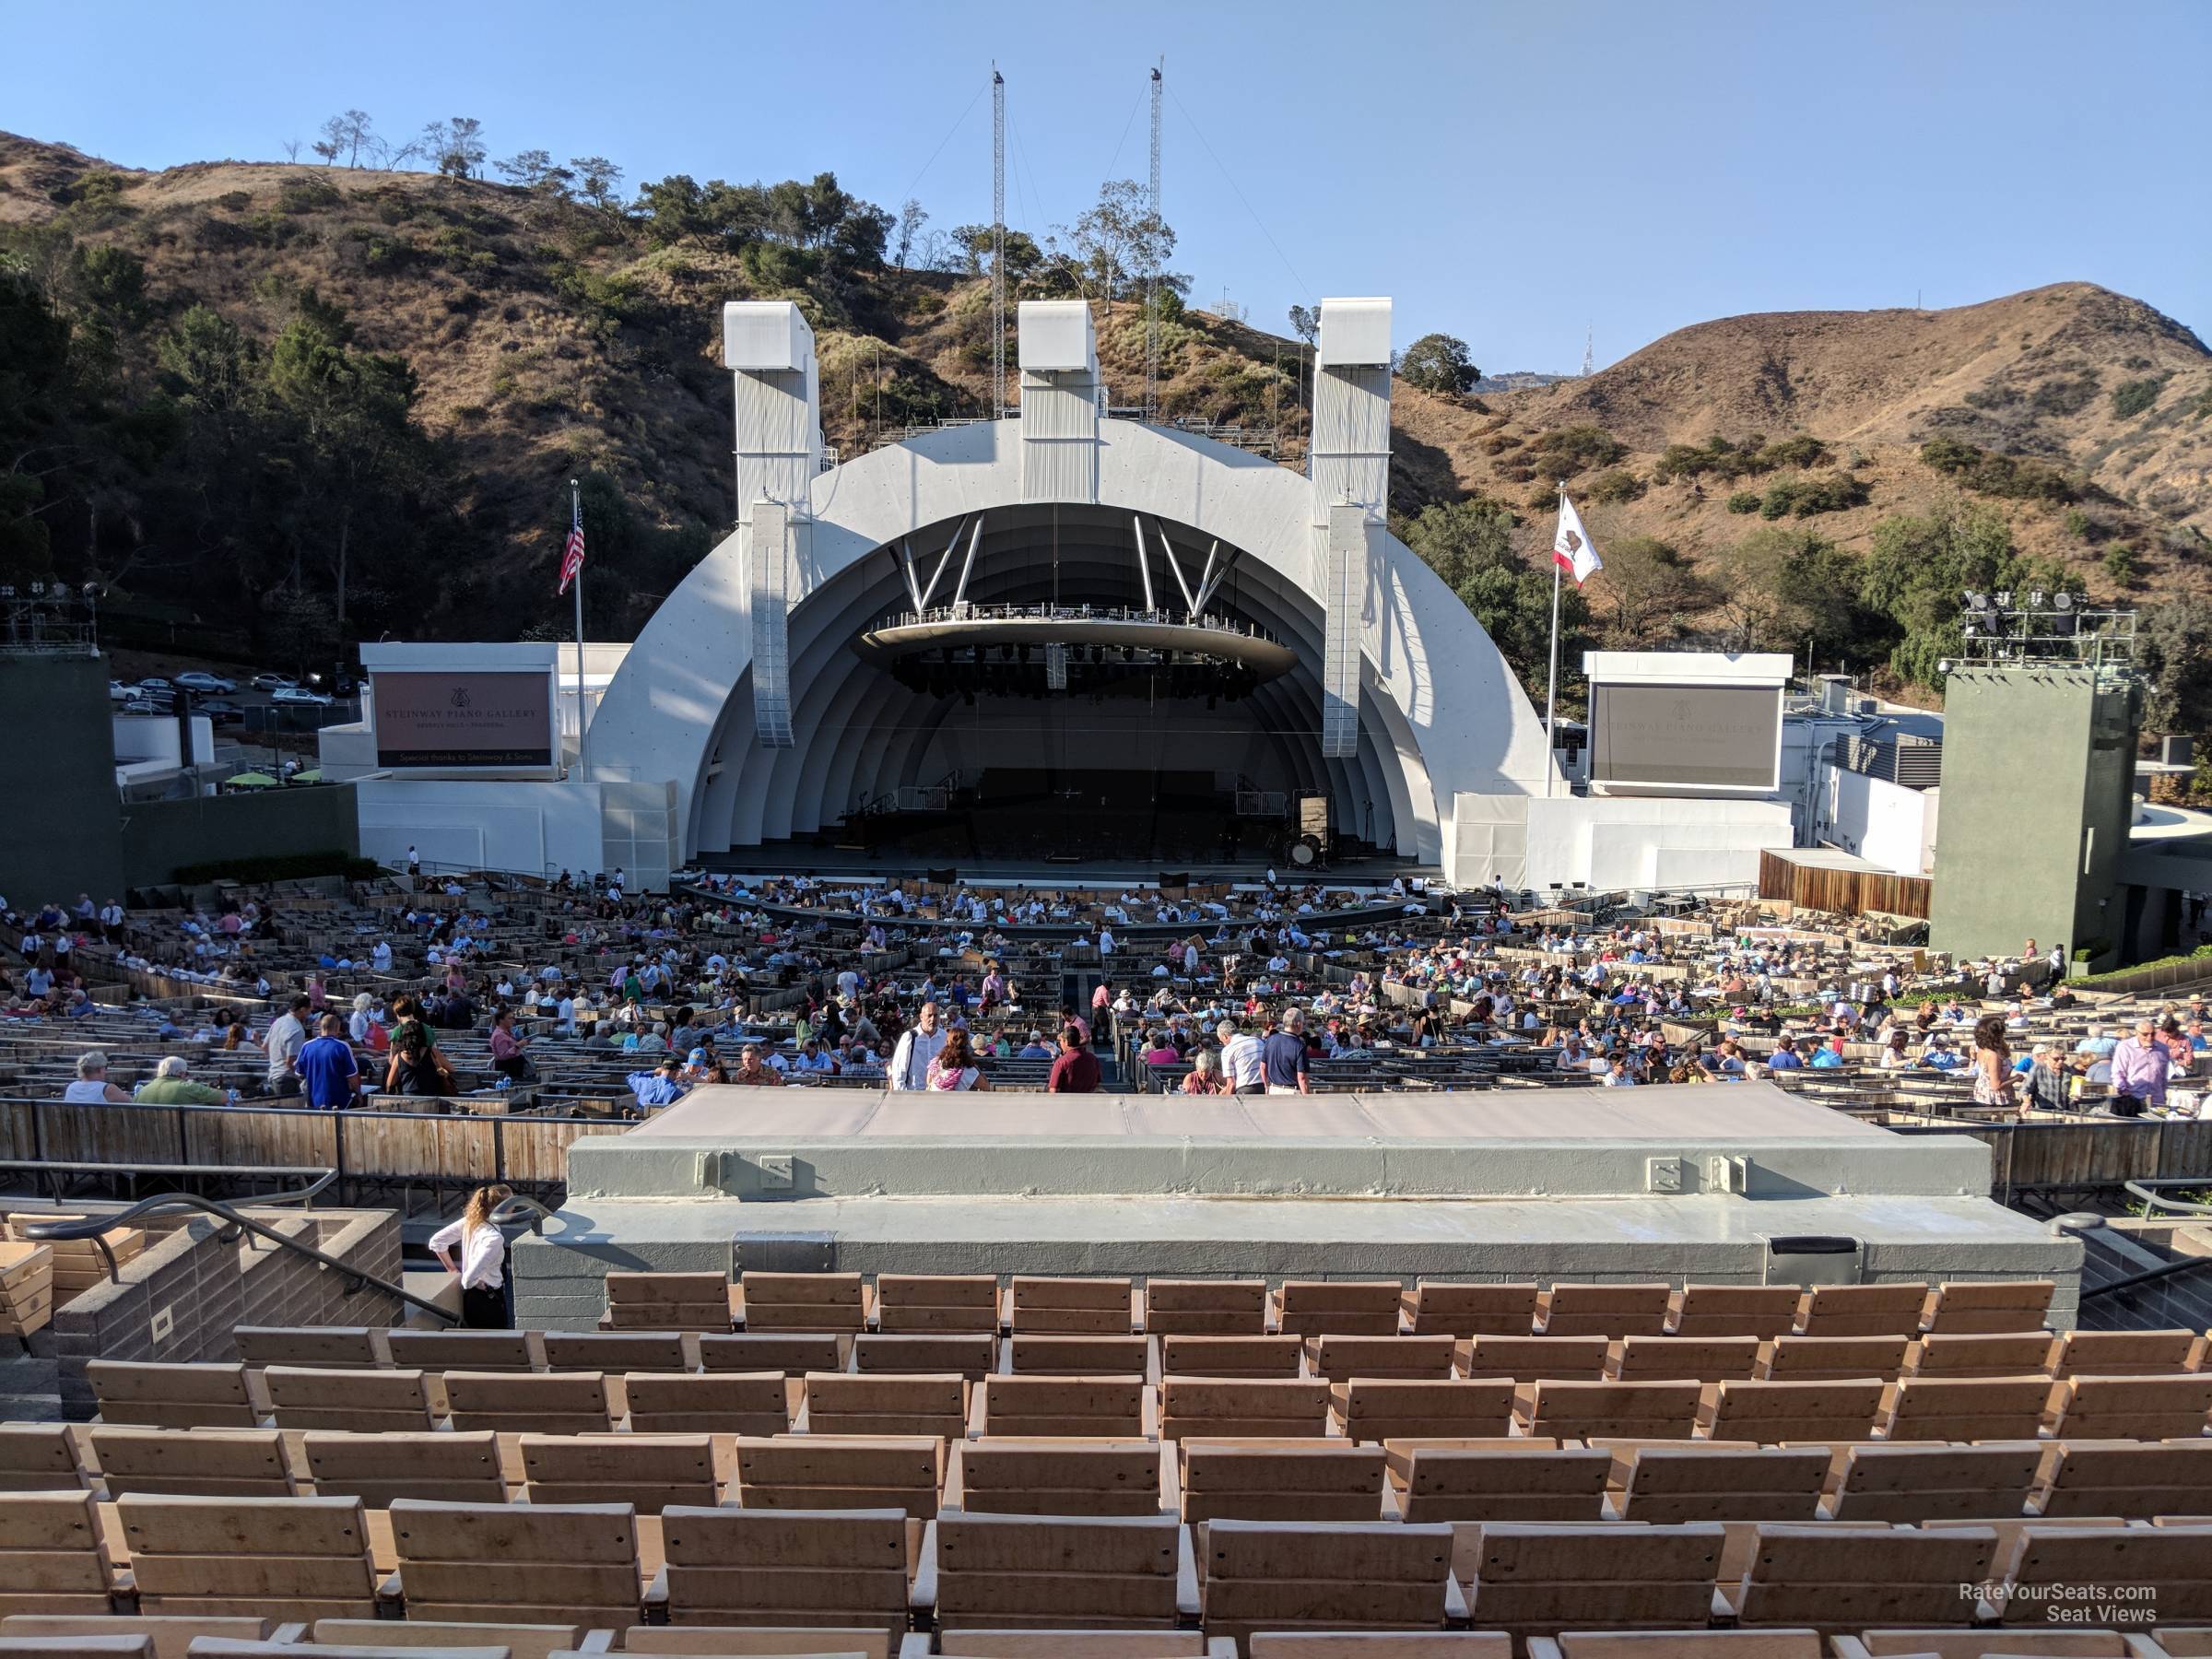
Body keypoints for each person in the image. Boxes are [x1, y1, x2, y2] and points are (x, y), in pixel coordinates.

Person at [429, 1182, 513, 1328]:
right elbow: (468, 1280)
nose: (514, 1207)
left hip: (472, 1299)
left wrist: (452, 1269)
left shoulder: (472, 1222)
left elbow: (437, 1241)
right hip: (488, 1299)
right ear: (501, 1208)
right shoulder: (494, 1239)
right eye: (511, 1203)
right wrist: (479, 1284)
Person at [297, 1013, 361, 1110]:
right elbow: (352, 1076)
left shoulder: (307, 1046)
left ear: (321, 1027)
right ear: (337, 1028)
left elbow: (299, 1073)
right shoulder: (342, 1046)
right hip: (339, 1102)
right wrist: (358, 1093)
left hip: (314, 1101)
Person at [2110, 1018, 2171, 1116]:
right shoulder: (2125, 1047)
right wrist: (2124, 1091)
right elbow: (2118, 1072)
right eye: (2145, 1034)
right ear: (2136, 1033)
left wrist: (2164, 1093)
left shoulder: (2163, 1048)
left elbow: (2164, 1074)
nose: (2149, 1037)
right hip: (2133, 1098)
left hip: (2156, 1099)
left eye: (2153, 1034)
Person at [888, 1000, 947, 1091]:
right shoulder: (910, 1037)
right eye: (929, 1015)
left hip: (938, 1092)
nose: (932, 1019)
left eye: (935, 1015)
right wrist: (900, 1093)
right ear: (921, 1017)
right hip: (914, 1092)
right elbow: (899, 1068)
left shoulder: (945, 1037)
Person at [264, 994, 312, 1095]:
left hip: (274, 1075)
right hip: (287, 1080)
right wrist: (306, 1076)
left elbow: (265, 1046)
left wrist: (276, 1061)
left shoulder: (279, 1021)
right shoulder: (296, 1030)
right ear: (302, 1010)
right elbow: (291, 1062)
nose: (310, 1013)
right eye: (309, 1010)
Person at [1970, 1013, 2017, 1112]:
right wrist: (2017, 1078)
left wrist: (2000, 1041)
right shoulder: (1993, 1055)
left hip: (1984, 1095)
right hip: (1994, 1101)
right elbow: (1996, 1085)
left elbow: (2007, 1054)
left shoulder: (1982, 1048)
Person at [135, 1055, 229, 1105]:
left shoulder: (142, 1092)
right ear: (181, 1073)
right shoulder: (189, 1087)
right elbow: (225, 1098)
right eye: (186, 1073)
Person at [924, 1026, 993, 1091]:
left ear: (946, 1042)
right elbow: (986, 1087)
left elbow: (929, 1082)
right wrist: (976, 1068)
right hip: (957, 1102)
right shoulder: (968, 1070)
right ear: (967, 1044)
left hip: (935, 1101)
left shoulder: (935, 1064)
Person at [1261, 1009, 1312, 1095]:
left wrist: (1266, 1086)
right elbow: (1302, 1078)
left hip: (1273, 1089)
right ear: (1298, 1024)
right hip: (1292, 1091)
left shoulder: (1270, 1039)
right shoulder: (1299, 1045)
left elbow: (1263, 1067)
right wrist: (1307, 1098)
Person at [1047, 1024, 1101, 1093]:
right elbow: (1098, 1084)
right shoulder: (1093, 1059)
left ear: (1066, 1041)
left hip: (1068, 1102)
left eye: (1060, 1041)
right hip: (1089, 1101)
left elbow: (1053, 1090)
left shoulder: (1061, 1062)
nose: (1060, 1044)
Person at [61, 1051, 130, 1104]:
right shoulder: (108, 1089)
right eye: (105, 1067)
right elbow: (132, 1103)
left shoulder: (71, 1087)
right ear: (100, 1069)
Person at [1218, 1018, 1265, 1095]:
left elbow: (1231, 1084)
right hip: (1264, 1087)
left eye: (1221, 1042)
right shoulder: (1257, 1041)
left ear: (1225, 1037)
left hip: (1245, 1091)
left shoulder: (1228, 1050)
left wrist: (1226, 1103)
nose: (1223, 1044)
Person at [488, 1008, 530, 1082]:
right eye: (509, 1018)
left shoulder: (507, 1032)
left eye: (513, 1018)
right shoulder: (499, 1035)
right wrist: (517, 1046)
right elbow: (503, 1055)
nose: (512, 1020)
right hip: (507, 1069)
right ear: (501, 1020)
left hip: (513, 1067)